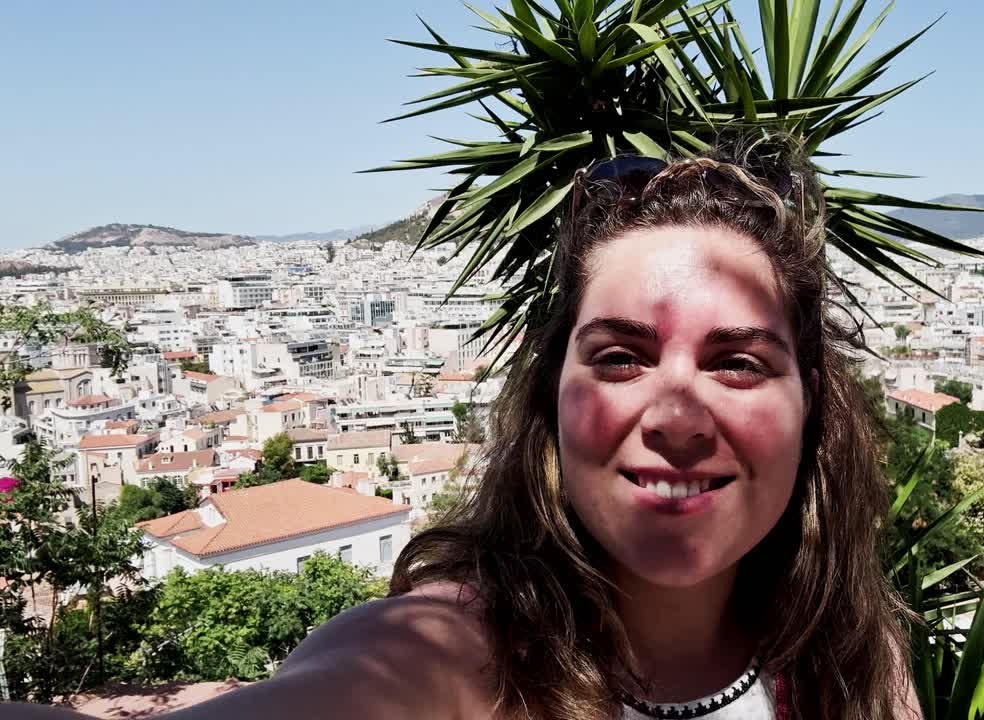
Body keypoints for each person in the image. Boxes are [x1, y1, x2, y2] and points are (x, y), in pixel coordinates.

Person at [13, 135, 919, 720]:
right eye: (619, 358)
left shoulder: (847, 656)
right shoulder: (453, 659)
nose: (677, 417)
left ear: (809, 402)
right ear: (551, 397)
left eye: (738, 363)